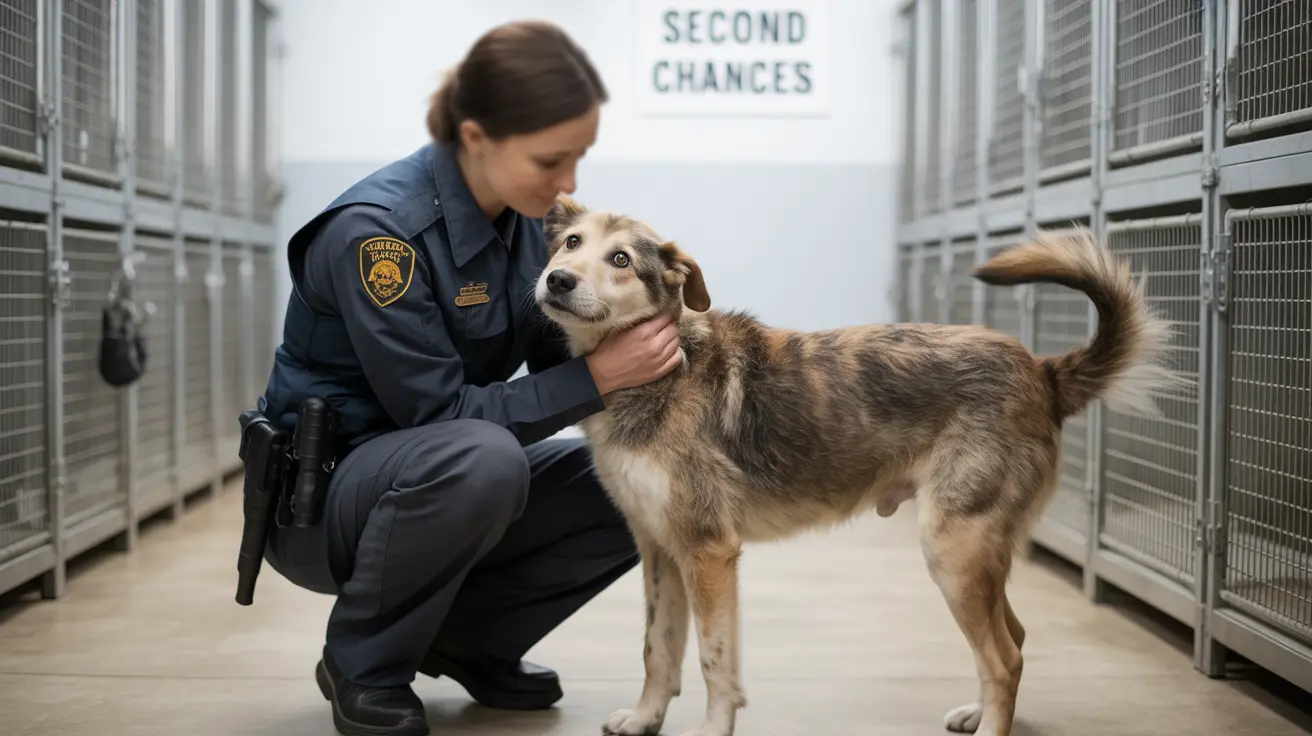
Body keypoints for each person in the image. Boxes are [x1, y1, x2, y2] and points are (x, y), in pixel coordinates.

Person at [256, 20, 682, 736]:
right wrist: (602, 375)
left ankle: (470, 640)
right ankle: (362, 661)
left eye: (578, 157)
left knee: (636, 483)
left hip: (439, 477)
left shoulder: (530, 226)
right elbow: (438, 414)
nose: (569, 183)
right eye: (551, 159)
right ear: (476, 136)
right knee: (479, 457)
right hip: (325, 501)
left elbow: (559, 372)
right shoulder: (378, 236)